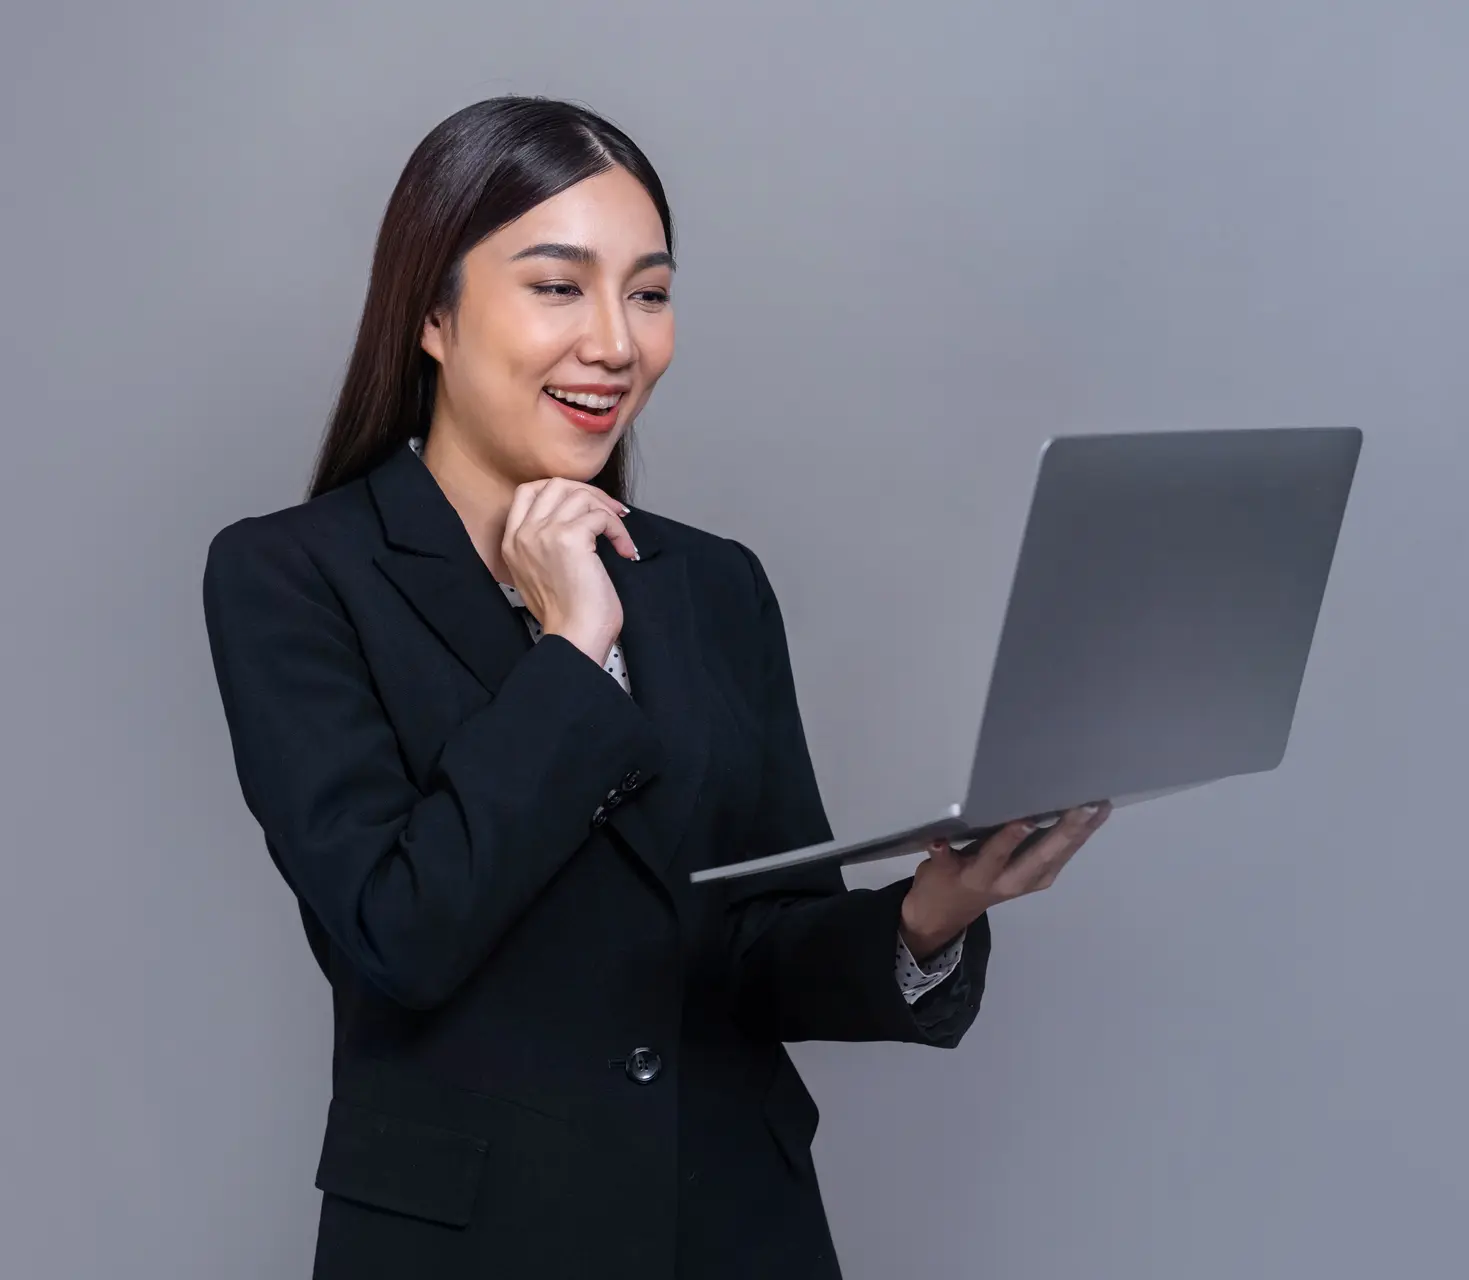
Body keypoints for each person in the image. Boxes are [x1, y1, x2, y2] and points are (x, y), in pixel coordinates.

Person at [200, 95, 1113, 1280]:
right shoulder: (292, 573)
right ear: (432, 311)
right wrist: (573, 646)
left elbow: (751, 944)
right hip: (476, 1247)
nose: (617, 343)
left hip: (736, 1232)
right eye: (558, 286)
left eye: (649, 291)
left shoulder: (714, 583)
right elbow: (398, 930)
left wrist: (926, 917)